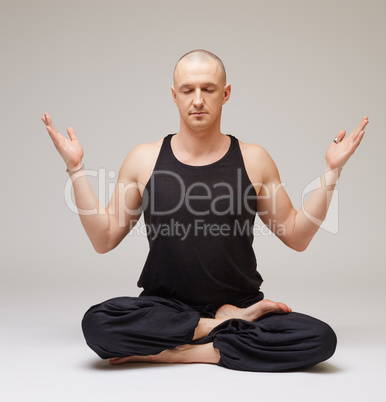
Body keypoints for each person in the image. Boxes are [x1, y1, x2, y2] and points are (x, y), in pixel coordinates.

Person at [41, 49, 368, 372]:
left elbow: (297, 236)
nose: (197, 99)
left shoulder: (255, 159)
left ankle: (178, 352)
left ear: (225, 94)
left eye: (208, 89)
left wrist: (331, 172)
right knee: (97, 323)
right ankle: (214, 331)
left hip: (241, 306)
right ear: (174, 95)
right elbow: (104, 239)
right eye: (188, 90)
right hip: (164, 308)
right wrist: (76, 168)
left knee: (319, 338)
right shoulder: (143, 159)